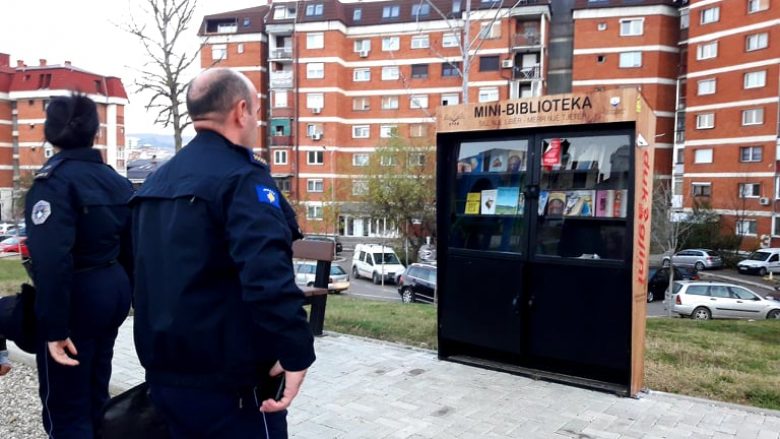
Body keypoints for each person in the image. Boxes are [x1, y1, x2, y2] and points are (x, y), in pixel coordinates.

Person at [131, 68, 315, 439]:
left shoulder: (154, 182)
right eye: (258, 111)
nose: (258, 121)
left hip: (166, 376)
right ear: (241, 110)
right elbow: (267, 275)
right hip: (232, 388)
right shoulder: (243, 179)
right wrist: (296, 352)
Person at [24, 94, 134, 437]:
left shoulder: (53, 184)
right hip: (112, 292)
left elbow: (52, 262)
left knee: (66, 407)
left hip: (76, 299)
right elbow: (132, 249)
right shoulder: (115, 181)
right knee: (96, 395)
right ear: (95, 133)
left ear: (49, 133)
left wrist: (55, 330)